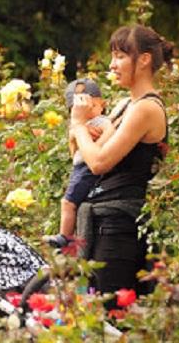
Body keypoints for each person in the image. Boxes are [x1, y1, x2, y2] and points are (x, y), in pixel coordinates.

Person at [69, 24, 173, 306]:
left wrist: (78, 125)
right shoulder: (128, 105)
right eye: (112, 57)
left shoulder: (146, 108)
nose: (112, 65)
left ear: (144, 60)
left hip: (120, 228)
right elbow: (87, 156)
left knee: (109, 318)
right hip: (105, 222)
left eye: (120, 56)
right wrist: (81, 134)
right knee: (92, 315)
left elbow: (99, 162)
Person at [45, 78, 115, 248]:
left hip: (87, 168)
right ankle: (68, 237)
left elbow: (110, 134)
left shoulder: (101, 121)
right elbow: (73, 152)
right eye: (77, 109)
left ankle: (65, 237)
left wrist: (93, 145)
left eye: (89, 106)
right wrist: (77, 134)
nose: (85, 112)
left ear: (101, 105)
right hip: (79, 167)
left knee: (68, 203)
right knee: (71, 203)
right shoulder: (78, 125)